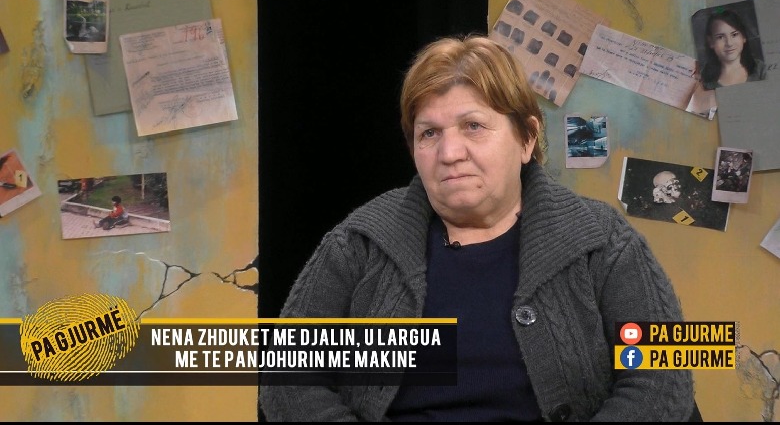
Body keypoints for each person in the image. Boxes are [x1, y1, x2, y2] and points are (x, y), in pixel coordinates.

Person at [260, 34, 696, 421]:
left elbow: (662, 383)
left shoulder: (602, 241)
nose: (450, 152)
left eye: (473, 126)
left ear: (527, 138)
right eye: (429, 133)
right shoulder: (360, 243)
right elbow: (287, 382)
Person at [700, 7, 766, 90]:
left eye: (734, 35)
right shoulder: (702, 80)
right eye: (720, 37)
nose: (729, 43)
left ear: (744, 37)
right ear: (711, 42)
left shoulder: (761, 69)